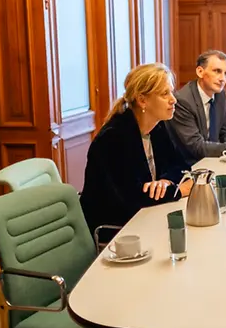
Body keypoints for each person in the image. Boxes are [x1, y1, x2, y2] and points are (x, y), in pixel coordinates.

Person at [80, 63, 194, 235]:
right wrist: (178, 191)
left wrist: (166, 181)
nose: (173, 99)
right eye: (165, 94)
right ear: (142, 100)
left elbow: (180, 165)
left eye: (171, 92)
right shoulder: (113, 138)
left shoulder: (157, 127)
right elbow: (129, 199)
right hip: (118, 231)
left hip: (149, 217)